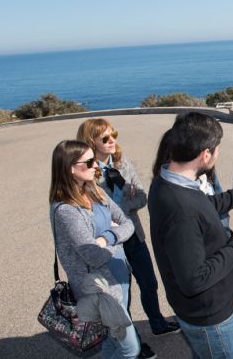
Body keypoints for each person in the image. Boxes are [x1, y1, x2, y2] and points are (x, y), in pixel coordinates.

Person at [148, 112, 233, 359]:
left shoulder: (169, 179)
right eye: (217, 148)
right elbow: (194, 280)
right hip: (211, 318)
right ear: (205, 154)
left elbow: (204, 206)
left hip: (209, 310)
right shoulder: (181, 209)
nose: (218, 153)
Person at [77, 119, 179, 358]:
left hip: (133, 234)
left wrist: (120, 210)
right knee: (123, 295)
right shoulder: (87, 173)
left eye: (113, 135)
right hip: (110, 244)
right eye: (105, 138)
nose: (112, 141)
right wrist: (118, 211)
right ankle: (134, 343)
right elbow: (91, 211)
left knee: (149, 283)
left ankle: (158, 323)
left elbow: (141, 196)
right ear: (91, 142)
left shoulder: (123, 164)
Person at [49, 140, 139, 358]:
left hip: (119, 276)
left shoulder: (95, 191)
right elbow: (93, 255)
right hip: (100, 288)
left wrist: (105, 237)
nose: (96, 166)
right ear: (70, 167)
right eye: (89, 162)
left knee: (110, 341)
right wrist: (114, 236)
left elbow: (128, 223)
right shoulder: (66, 211)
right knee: (129, 349)